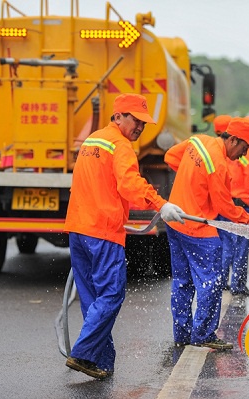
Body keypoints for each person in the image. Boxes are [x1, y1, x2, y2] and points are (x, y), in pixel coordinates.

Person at [64, 93, 185, 379]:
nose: (141, 127)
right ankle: (82, 353)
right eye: (136, 120)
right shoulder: (120, 145)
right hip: (102, 232)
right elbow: (130, 185)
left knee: (93, 299)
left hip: (79, 229)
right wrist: (161, 204)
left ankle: (101, 361)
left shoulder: (92, 141)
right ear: (118, 116)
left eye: (144, 122)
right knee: (111, 295)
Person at [164, 117, 249, 350]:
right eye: (244, 147)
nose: (243, 154)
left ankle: (182, 334)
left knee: (182, 281)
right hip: (197, 228)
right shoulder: (218, 164)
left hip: (175, 221)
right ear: (233, 139)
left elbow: (170, 157)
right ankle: (204, 334)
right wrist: (248, 218)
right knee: (212, 281)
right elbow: (224, 207)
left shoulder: (198, 141)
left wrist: (192, 177)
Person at [213, 115, 249, 296]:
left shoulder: (225, 150)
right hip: (239, 207)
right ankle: (238, 285)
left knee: (224, 244)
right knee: (240, 248)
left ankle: (221, 281)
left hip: (225, 204)